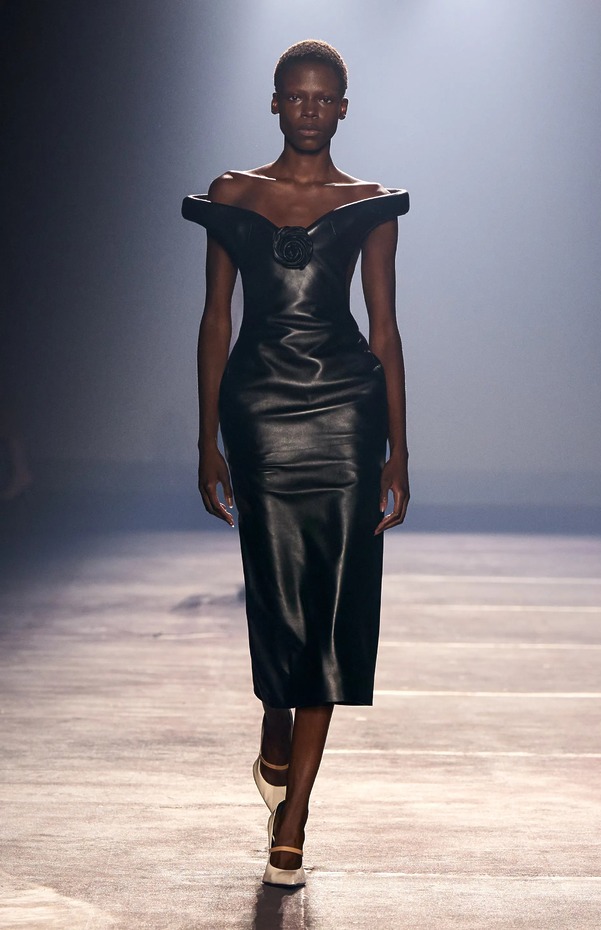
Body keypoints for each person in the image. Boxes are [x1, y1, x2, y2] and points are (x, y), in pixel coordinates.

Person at [182, 39, 409, 887]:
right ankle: (274, 719)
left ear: (343, 108)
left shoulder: (370, 204)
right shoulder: (232, 194)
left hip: (346, 413)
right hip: (261, 412)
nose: (310, 110)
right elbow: (216, 317)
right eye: (296, 97)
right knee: (277, 596)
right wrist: (206, 438)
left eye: (324, 99)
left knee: (334, 604)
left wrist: (398, 448)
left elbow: (383, 329)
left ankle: (296, 819)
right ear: (274, 102)